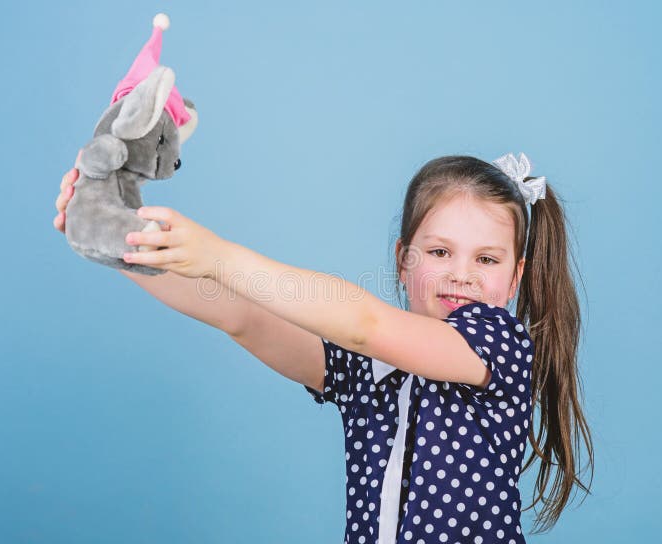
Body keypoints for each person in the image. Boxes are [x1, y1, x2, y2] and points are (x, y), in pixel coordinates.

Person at [54, 150, 593, 543]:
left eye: (487, 260)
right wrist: (119, 243)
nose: (462, 276)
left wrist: (219, 254)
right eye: (439, 251)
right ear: (405, 260)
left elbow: (362, 321)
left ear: (517, 274)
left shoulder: (497, 344)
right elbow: (242, 316)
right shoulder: (369, 371)